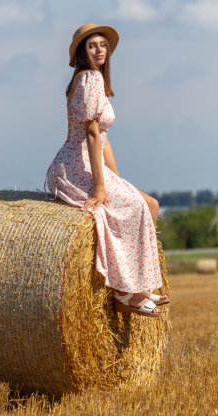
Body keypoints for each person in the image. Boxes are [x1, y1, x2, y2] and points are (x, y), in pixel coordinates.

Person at [44, 23, 170, 317]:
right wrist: (101, 187)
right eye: (92, 45)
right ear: (81, 52)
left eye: (102, 44)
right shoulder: (88, 79)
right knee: (132, 207)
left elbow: (104, 139)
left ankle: (139, 286)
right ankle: (124, 293)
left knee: (148, 204)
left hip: (93, 161)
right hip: (76, 163)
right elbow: (90, 135)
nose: (99, 49)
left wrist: (117, 179)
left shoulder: (97, 79)